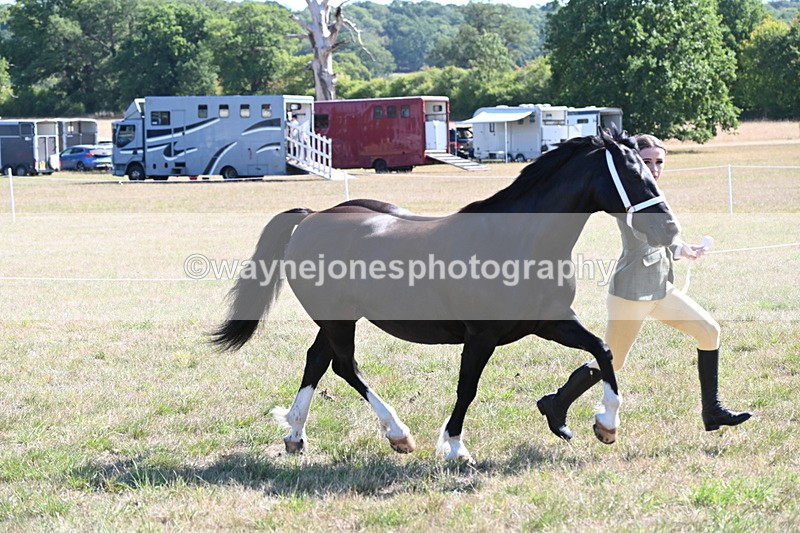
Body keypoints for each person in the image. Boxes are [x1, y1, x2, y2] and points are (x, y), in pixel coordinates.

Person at [537, 134, 751, 441]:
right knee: (613, 360)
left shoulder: (651, 192)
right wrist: (680, 249)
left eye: (659, 162)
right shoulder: (628, 197)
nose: (654, 168)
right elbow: (646, 235)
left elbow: (664, 235)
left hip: (659, 289)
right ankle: (556, 403)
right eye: (647, 161)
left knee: (709, 331)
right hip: (631, 294)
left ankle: (712, 410)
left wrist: (681, 246)